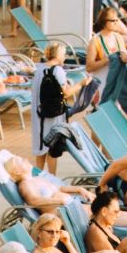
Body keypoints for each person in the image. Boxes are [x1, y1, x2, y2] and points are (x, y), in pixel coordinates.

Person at [32, 43, 86, 173]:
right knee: (53, 146)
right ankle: (52, 178)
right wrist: (81, 84)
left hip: (39, 113)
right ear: (57, 55)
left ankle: (36, 178)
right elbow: (66, 92)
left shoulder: (39, 69)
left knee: (40, 149)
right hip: (53, 114)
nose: (65, 57)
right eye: (63, 54)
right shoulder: (58, 70)